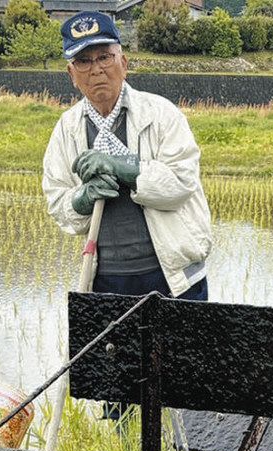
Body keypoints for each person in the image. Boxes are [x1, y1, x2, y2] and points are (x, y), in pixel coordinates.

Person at [42, 11, 211, 303]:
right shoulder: (67, 129)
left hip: (176, 279)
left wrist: (125, 168)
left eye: (104, 57)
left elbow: (181, 184)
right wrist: (81, 198)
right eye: (83, 61)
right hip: (106, 280)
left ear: (124, 63)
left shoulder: (161, 114)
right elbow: (57, 201)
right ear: (71, 74)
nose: (96, 70)